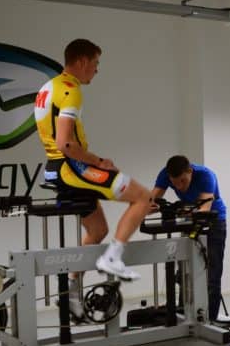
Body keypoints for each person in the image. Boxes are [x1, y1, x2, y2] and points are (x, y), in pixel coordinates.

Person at [34, 39, 152, 317]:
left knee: (98, 231)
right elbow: (66, 143)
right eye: (96, 63)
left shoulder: (48, 87)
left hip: (56, 167)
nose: (97, 70)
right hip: (71, 167)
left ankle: (72, 287)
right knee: (143, 197)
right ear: (83, 61)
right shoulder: (71, 90)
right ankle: (112, 258)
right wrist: (98, 162)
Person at [150, 155, 229, 322]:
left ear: (190, 171)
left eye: (183, 181)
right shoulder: (165, 174)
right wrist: (153, 206)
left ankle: (210, 320)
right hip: (188, 221)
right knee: (184, 273)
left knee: (211, 274)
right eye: (175, 183)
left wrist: (180, 210)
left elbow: (204, 209)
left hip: (214, 221)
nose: (179, 187)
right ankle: (184, 315)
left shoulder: (206, 175)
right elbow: (149, 202)